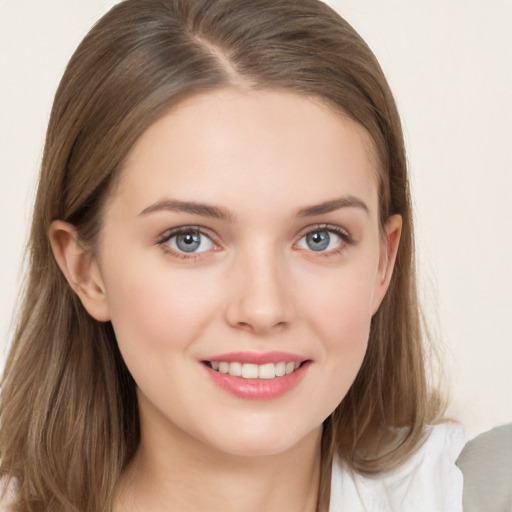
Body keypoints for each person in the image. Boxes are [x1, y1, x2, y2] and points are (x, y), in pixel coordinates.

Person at [0, 0, 465, 510]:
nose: (264, 309)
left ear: (383, 262)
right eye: (189, 239)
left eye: (320, 237)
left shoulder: (479, 491)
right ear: (86, 271)